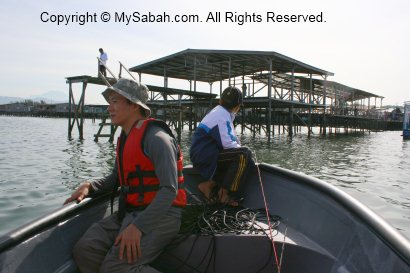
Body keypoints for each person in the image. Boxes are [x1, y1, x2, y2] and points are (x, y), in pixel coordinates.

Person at [64, 78, 186, 273]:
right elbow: (117, 178)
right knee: (86, 250)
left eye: (115, 101)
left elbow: (170, 190)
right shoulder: (125, 138)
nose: (109, 108)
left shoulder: (157, 139)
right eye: (109, 102)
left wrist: (139, 227)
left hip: (162, 216)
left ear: (134, 106)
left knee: (115, 268)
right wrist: (89, 186)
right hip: (130, 212)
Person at [190, 86, 254, 205]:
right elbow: (229, 145)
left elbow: (230, 141)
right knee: (244, 154)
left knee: (247, 159)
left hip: (205, 154)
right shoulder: (222, 115)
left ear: (220, 101)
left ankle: (209, 185)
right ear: (238, 106)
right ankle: (223, 194)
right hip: (205, 156)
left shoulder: (220, 112)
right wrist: (245, 151)